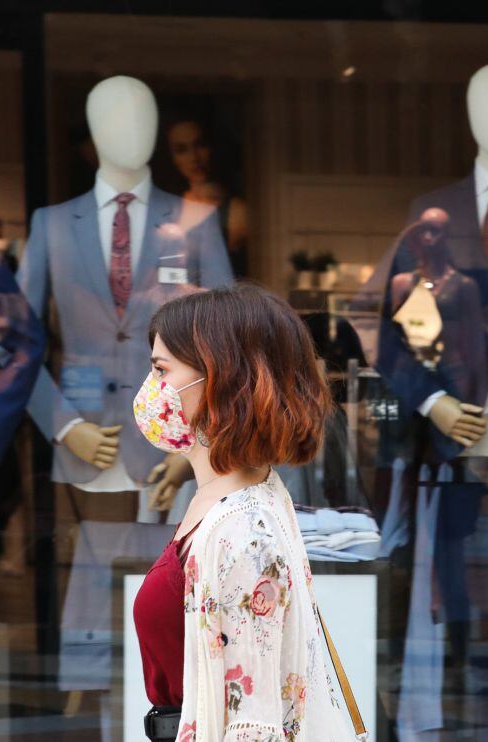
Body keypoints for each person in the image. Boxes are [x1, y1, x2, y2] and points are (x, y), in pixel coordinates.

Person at [131, 284, 356, 740]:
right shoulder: (238, 499)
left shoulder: (242, 532)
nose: (151, 389)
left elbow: (252, 721)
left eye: (161, 370)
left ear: (220, 379)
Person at [166, 117, 249, 277]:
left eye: (200, 145)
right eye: (181, 149)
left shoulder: (237, 210)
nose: (194, 158)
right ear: (174, 158)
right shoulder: (170, 209)